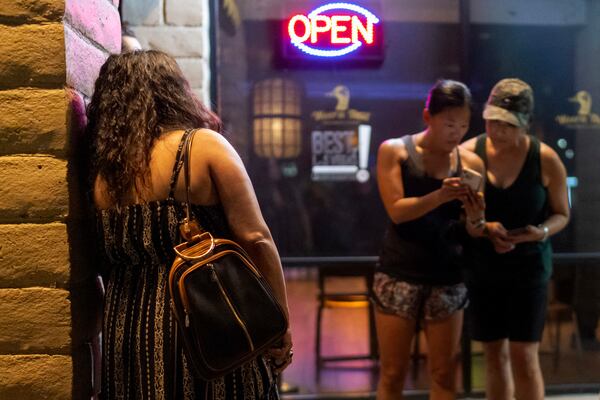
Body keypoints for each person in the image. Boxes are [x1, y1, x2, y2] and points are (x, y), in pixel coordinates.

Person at [86, 50, 293, 400]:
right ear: (174, 92)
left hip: (127, 333)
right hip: (206, 323)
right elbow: (257, 239)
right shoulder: (202, 146)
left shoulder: (104, 175)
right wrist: (280, 321)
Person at [374, 79, 486, 400]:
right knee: (393, 373)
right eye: (449, 123)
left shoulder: (471, 164)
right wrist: (440, 195)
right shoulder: (395, 151)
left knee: (444, 373)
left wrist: (477, 217)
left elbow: (473, 229)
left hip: (448, 274)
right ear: (428, 117)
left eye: (463, 125)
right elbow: (397, 211)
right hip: (400, 271)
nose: (457, 133)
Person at [461, 78, 570, 400]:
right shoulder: (468, 154)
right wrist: (483, 227)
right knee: (494, 354)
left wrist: (543, 231)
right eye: (492, 120)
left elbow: (562, 213)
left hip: (529, 267)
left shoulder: (545, 158)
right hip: (483, 266)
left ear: (524, 124)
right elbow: (459, 215)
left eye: (506, 124)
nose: (497, 129)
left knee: (525, 354)